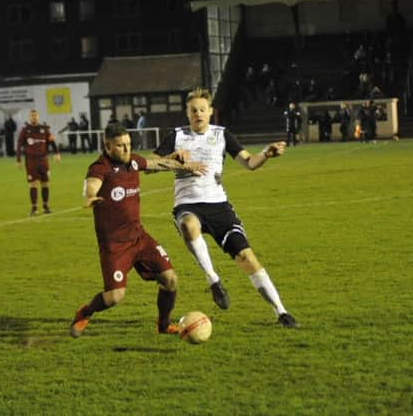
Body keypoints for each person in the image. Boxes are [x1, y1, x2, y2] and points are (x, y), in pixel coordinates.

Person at [153, 87, 299, 328]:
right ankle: (214, 281)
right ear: (187, 114)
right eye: (193, 110)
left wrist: (266, 153)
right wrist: (172, 159)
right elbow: (149, 165)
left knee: (246, 258)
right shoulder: (177, 136)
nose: (198, 114)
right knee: (189, 225)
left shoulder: (222, 135)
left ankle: (281, 312)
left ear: (210, 112)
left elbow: (249, 162)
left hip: (219, 206)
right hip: (187, 204)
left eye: (202, 109)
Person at [69, 123, 207, 338]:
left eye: (128, 144)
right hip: (114, 245)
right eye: (120, 145)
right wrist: (91, 195)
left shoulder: (132, 161)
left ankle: (163, 325)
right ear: (107, 146)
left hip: (139, 237)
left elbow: (155, 164)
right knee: (115, 297)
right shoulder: (100, 167)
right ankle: (85, 312)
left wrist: (181, 163)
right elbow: (91, 184)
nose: (126, 149)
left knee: (170, 280)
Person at [16, 109, 61, 216]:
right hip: (31, 161)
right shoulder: (25, 130)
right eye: (32, 116)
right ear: (29, 117)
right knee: (33, 184)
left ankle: (45, 206)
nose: (33, 117)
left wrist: (57, 153)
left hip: (43, 160)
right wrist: (18, 160)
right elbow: (19, 145)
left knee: (45, 183)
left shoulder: (44, 129)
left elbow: (52, 142)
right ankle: (34, 208)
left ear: (38, 117)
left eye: (35, 116)